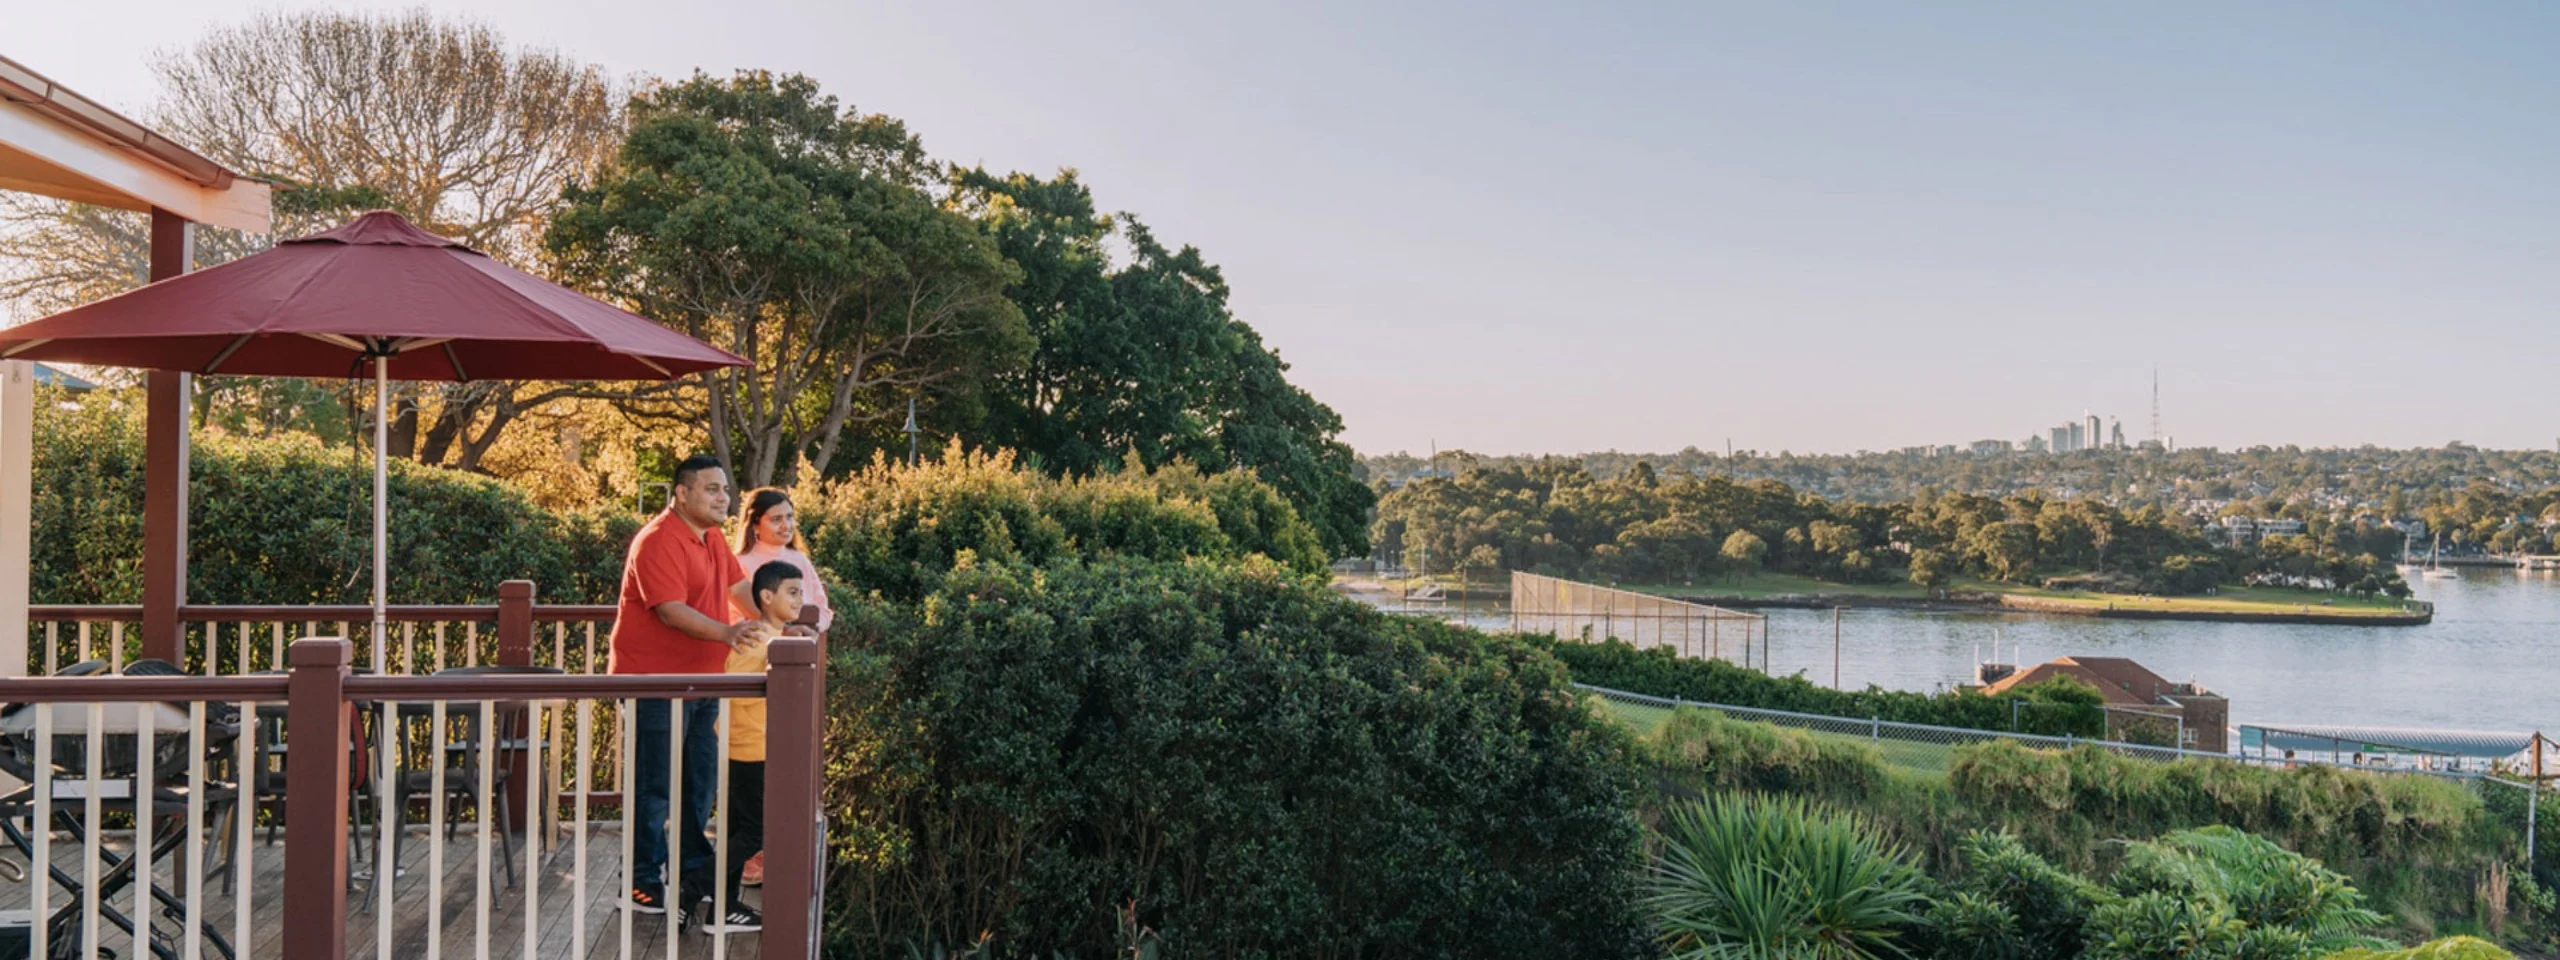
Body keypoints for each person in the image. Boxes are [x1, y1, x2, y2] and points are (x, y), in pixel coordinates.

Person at [610, 454, 766, 917]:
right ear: (682, 493)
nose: (725, 498)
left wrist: (778, 624)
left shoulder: (713, 538)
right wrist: (727, 633)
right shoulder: (658, 539)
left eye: (725, 490)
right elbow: (669, 609)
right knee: (654, 786)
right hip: (654, 684)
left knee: (700, 785)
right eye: (712, 489)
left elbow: (741, 592)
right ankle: (639, 883)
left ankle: (690, 877)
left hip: (703, 682)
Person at [731, 488, 830, 888]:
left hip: (792, 670)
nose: (786, 525)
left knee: (783, 763)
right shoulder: (739, 564)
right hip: (751, 666)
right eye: (776, 518)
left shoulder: (799, 561)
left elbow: (821, 607)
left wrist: (806, 631)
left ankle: (768, 850)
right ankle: (750, 857)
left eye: (790, 517)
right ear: (755, 523)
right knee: (752, 777)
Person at [705, 560, 802, 933]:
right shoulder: (757, 639)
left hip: (753, 746)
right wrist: (771, 680)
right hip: (747, 749)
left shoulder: (771, 638)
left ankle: (722, 908)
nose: (800, 600)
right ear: (767, 596)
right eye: (792, 592)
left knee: (736, 833)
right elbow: (733, 690)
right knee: (755, 831)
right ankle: (695, 886)